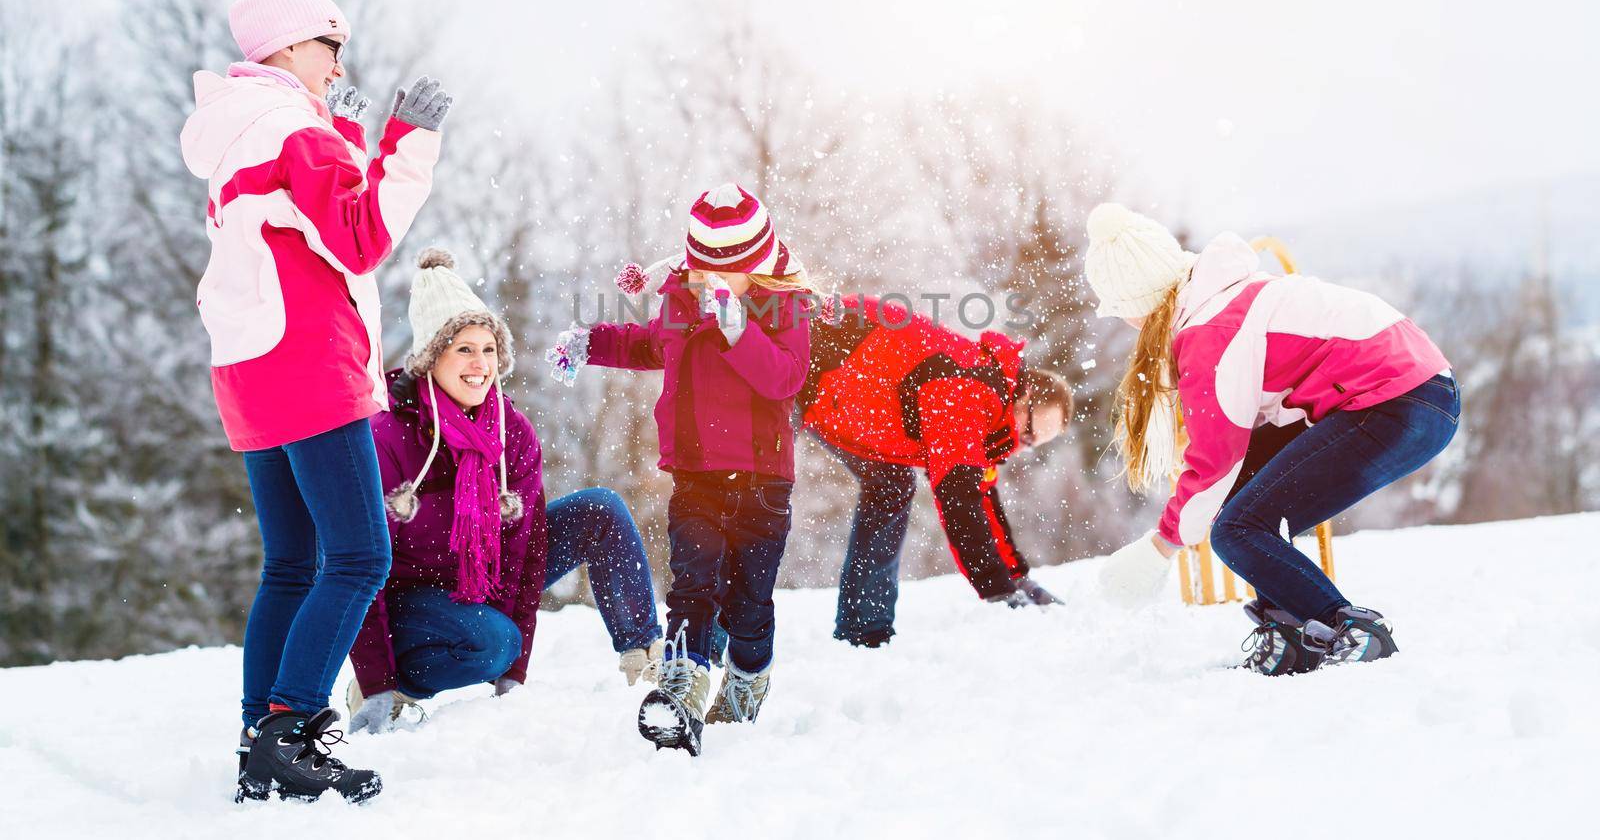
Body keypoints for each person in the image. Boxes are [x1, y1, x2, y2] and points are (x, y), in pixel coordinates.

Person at [181, 0, 453, 802]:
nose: (339, 67)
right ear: (291, 46)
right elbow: (363, 237)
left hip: (251, 372)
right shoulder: (293, 129)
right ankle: (290, 727)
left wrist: (342, 137)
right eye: (331, 49)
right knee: (360, 554)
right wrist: (405, 144)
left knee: (293, 563)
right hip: (307, 361)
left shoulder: (241, 127)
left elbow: (309, 229)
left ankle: (258, 738)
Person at [1088, 203, 1458, 675]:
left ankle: (1349, 629)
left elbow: (1213, 462)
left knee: (1237, 528)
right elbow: (1234, 461)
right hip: (1412, 393)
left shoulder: (1209, 330)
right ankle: (1288, 630)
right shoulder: (1221, 298)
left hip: (1395, 401)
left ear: (1138, 306)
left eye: (1123, 313)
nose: (1128, 326)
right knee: (1249, 502)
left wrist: (1159, 548)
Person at [345, 250, 665, 732]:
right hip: (413, 597)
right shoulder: (389, 435)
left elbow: (527, 548)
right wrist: (376, 682)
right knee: (493, 643)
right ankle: (407, 684)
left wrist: (513, 676)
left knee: (601, 510)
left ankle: (645, 655)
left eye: (489, 349)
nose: (480, 364)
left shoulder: (509, 431)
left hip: (487, 572)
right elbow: (360, 567)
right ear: (432, 357)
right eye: (464, 349)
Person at [547, 183, 812, 755]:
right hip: (695, 474)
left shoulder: (783, 306)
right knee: (692, 583)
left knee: (747, 603)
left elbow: (786, 379)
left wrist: (740, 330)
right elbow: (650, 346)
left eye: (728, 273)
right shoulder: (684, 301)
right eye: (704, 271)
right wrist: (591, 342)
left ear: (758, 266)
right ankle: (681, 687)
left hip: (763, 482)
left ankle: (746, 678)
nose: (712, 284)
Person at [799, 295, 1073, 647]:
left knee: (892, 484)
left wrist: (1018, 579)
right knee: (748, 491)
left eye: (1032, 443)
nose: (1022, 444)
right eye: (1029, 432)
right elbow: (959, 500)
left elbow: (981, 496)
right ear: (1026, 394)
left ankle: (864, 632)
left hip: (837, 385)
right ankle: (714, 640)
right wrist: (999, 591)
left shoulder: (991, 414)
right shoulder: (970, 392)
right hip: (812, 352)